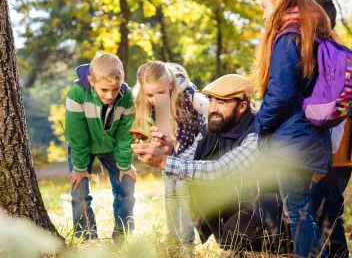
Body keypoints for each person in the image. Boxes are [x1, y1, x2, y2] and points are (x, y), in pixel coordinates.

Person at [132, 74, 276, 255]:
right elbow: (190, 162)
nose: (212, 108)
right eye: (211, 100)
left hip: (266, 212)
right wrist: (170, 152)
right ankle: (235, 247)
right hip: (236, 205)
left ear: (242, 106)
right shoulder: (215, 127)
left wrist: (164, 161)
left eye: (221, 103)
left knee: (241, 221)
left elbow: (220, 170)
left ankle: (268, 250)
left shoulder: (255, 134)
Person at [254, 0, 332, 256]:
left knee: (297, 212)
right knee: (300, 211)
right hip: (309, 137)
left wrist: (260, 122)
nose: (265, 16)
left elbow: (281, 92)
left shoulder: (290, 38)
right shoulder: (314, 35)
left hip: (293, 140)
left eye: (265, 7)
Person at [133, 61, 207, 249]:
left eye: (159, 93)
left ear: (170, 84)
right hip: (172, 150)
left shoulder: (189, 95)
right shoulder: (154, 99)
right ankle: (173, 239)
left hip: (193, 149)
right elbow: (166, 134)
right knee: (170, 192)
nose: (154, 99)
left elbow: (210, 116)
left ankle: (187, 244)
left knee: (183, 191)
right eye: (149, 95)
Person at [65, 53, 136, 240]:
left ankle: (123, 235)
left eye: (115, 89)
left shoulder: (127, 97)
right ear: (91, 81)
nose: (110, 95)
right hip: (83, 148)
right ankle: (87, 236)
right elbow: (76, 134)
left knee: (126, 187)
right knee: (79, 193)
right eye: (104, 89)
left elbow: (125, 134)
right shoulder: (76, 94)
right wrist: (79, 168)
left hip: (112, 146)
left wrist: (124, 165)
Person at [311, 0, 351, 257]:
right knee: (328, 215)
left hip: (333, 155)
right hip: (337, 155)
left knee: (325, 217)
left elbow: (333, 112)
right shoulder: (334, 51)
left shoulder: (330, 54)